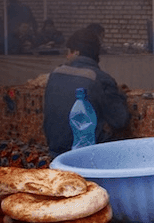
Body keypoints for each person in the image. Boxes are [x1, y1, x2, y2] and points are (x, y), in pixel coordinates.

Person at [43, 28, 130, 156]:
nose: (67, 56)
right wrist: (120, 96)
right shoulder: (100, 78)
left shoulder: (54, 74)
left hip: (54, 150)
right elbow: (120, 121)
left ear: (76, 52)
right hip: (84, 154)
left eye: (69, 52)